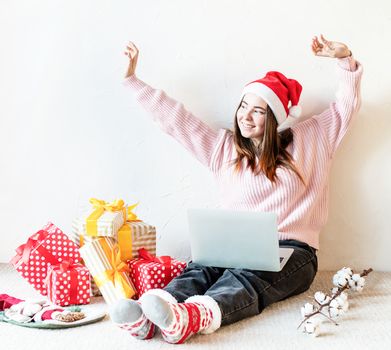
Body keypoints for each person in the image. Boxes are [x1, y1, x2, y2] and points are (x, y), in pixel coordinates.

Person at [109, 35, 363, 344]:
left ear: (275, 119)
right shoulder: (223, 148)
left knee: (242, 279)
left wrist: (345, 59)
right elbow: (176, 120)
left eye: (258, 110)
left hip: (293, 252)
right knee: (202, 268)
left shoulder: (312, 138)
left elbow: (346, 107)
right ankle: (152, 315)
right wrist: (132, 81)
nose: (245, 115)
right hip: (234, 247)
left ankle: (192, 317)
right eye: (243, 105)